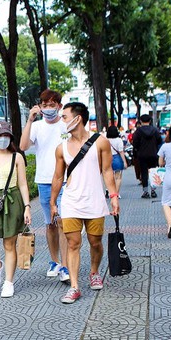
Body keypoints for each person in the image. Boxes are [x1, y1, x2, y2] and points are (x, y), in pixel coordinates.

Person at [50, 102, 119, 304]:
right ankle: (74, 286)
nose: (62, 120)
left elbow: (107, 170)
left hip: (94, 201)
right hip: (71, 202)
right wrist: (53, 202)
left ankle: (94, 272)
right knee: (73, 243)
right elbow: (57, 177)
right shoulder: (61, 148)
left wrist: (114, 196)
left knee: (95, 242)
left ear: (77, 118)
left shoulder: (100, 142)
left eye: (64, 117)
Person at [20, 89, 70, 283]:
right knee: (50, 224)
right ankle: (54, 261)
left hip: (64, 181)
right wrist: (29, 120)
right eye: (45, 105)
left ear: (59, 106)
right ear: (40, 106)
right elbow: (23, 146)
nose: (48, 108)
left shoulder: (65, 125)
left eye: (52, 105)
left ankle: (65, 265)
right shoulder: (36, 126)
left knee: (63, 223)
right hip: (44, 181)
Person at [0, 121, 31, 298]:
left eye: (5, 135)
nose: (2, 139)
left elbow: (23, 184)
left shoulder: (17, 157)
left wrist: (27, 207)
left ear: (10, 137)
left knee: (9, 244)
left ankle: (9, 282)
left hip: (12, 200)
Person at [131, 114, 162, 198]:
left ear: (140, 121)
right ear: (150, 121)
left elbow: (135, 143)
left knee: (144, 172)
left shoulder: (138, 131)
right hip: (153, 154)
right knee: (153, 172)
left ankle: (145, 192)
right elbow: (159, 141)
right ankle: (153, 190)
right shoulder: (155, 130)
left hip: (142, 155)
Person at [106, 126, 127, 194]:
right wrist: (124, 162)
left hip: (107, 159)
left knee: (109, 176)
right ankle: (116, 193)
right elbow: (121, 152)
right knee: (118, 177)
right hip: (117, 158)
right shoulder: (119, 140)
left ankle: (109, 191)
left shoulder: (105, 140)